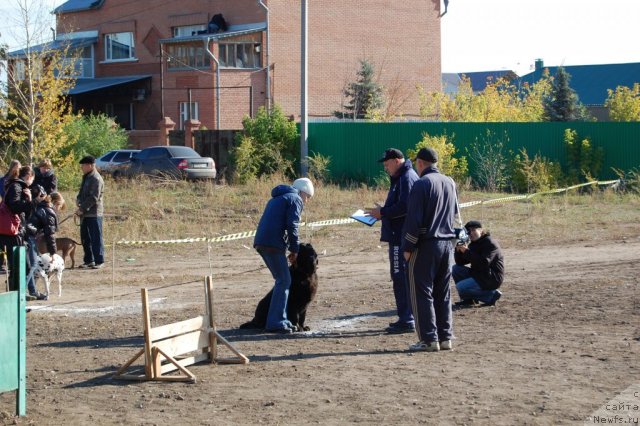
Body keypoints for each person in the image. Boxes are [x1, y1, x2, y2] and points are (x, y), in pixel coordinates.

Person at [402, 147, 457, 352]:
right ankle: (445, 337)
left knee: (421, 292)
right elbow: (455, 214)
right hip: (447, 243)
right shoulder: (450, 182)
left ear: (420, 163)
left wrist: (408, 246)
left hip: (426, 244)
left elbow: (414, 219)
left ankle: (428, 339)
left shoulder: (421, 184)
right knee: (443, 292)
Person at [366, 148, 419, 334]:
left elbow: (405, 207)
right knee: (400, 276)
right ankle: (407, 316)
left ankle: (407, 318)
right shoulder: (402, 177)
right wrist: (384, 211)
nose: (386, 168)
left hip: (400, 236)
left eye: (387, 164)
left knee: (400, 276)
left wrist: (383, 212)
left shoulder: (406, 178)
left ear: (397, 161)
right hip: (398, 234)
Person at [253, 177, 315, 333]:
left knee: (282, 280)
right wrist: (295, 249)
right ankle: (276, 321)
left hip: (262, 241)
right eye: (307, 197)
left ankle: (277, 318)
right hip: (273, 244)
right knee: (284, 280)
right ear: (302, 192)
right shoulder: (295, 199)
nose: (306, 201)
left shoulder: (278, 198)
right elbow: (292, 226)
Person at [453, 220, 504, 307]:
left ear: (481, 230)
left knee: (460, 287)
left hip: (491, 278)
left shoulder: (489, 243)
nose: (471, 233)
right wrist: (458, 250)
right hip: (479, 275)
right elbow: (460, 262)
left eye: (473, 230)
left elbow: (484, 262)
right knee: (456, 269)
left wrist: (466, 251)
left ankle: (491, 295)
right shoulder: (473, 244)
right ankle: (469, 300)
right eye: (468, 232)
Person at [0, 166, 35, 291]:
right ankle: (16, 299)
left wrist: (30, 200)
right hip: (12, 232)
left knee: (21, 267)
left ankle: (18, 298)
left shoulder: (17, 186)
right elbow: (14, 207)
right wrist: (31, 202)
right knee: (19, 266)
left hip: (15, 231)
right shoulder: (17, 186)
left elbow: (24, 213)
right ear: (29, 177)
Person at [26, 187, 62, 300]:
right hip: (29, 237)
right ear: (56, 203)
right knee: (32, 266)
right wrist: (52, 253)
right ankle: (23, 292)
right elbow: (50, 235)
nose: (59, 209)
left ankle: (32, 291)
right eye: (59, 206)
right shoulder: (49, 211)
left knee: (30, 266)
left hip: (26, 235)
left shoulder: (41, 206)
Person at [76, 155, 105, 269]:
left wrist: (82, 208)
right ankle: (88, 260)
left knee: (96, 237)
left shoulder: (96, 179)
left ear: (90, 165)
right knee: (85, 238)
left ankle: (99, 260)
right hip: (84, 214)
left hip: (94, 213)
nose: (82, 167)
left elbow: (94, 197)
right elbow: (81, 193)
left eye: (83, 165)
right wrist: (78, 201)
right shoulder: (86, 177)